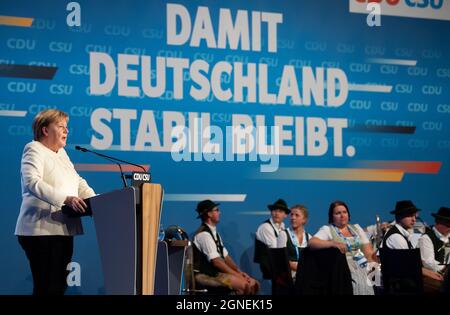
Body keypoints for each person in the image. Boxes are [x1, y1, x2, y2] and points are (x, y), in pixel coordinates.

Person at [15, 109, 96, 295]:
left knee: (58, 287)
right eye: (61, 126)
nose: (66, 131)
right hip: (40, 229)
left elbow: (78, 181)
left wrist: (95, 200)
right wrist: (65, 199)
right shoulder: (34, 149)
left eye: (67, 127)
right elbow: (32, 182)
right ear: (45, 130)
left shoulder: (62, 154)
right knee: (48, 288)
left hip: (62, 228)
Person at [192, 200, 259, 295]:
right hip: (208, 275)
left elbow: (226, 257)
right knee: (245, 285)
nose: (219, 212)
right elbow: (217, 262)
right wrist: (237, 276)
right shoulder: (204, 235)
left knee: (253, 284)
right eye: (216, 210)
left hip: (217, 273)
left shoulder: (215, 234)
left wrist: (240, 272)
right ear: (209, 214)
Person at [309, 201, 376, 295]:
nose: (342, 215)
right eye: (338, 213)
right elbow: (312, 243)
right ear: (332, 216)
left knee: (371, 281)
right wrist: (332, 243)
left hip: (361, 264)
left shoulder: (356, 228)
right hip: (342, 268)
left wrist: (373, 266)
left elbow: (368, 253)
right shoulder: (327, 229)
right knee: (356, 284)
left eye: (344, 212)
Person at [381, 200, 443, 283]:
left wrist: (431, 272)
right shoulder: (396, 237)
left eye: (415, 216)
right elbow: (408, 265)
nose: (414, 219)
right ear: (399, 216)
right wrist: (429, 273)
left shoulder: (402, 235)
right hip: (399, 285)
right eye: (410, 216)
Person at [254, 198, 290, 280]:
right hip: (270, 270)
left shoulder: (283, 227)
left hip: (278, 267)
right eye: (274, 210)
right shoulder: (266, 227)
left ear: (285, 215)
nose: (276, 213)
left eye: (280, 211)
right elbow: (276, 250)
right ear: (271, 212)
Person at [418, 207, 450, 292]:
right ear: (438, 222)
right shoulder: (427, 238)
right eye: (448, 224)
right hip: (433, 275)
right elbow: (428, 262)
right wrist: (446, 270)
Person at [277, 204, 312, 280]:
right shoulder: (283, 234)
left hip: (305, 276)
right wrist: (299, 268)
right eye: (292, 215)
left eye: (297, 215)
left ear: (304, 220)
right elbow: (281, 260)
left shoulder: (309, 237)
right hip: (288, 277)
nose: (293, 217)